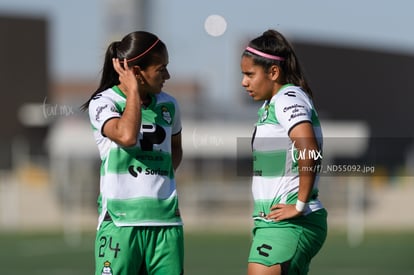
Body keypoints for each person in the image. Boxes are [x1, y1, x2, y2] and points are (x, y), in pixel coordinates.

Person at [81, 31, 184, 275]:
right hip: (120, 223)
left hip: (166, 224)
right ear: (136, 72)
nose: (167, 75)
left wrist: (157, 177)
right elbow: (126, 136)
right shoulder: (104, 102)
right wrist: (134, 93)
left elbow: (175, 149)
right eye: (161, 69)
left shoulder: (170, 104)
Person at [240, 29, 328, 275]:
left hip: (291, 223)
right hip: (272, 224)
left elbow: (309, 148)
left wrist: (299, 205)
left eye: (249, 74)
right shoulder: (270, 105)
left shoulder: (287, 98)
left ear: (273, 72)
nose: (243, 82)